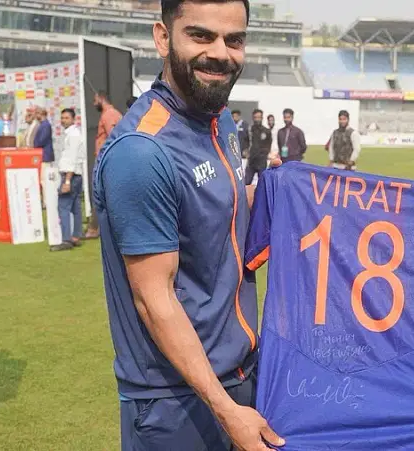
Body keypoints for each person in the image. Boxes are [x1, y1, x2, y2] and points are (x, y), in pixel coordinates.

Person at [91, 0, 283, 449]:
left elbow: (222, 214)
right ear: (163, 37)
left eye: (234, 40)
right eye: (201, 35)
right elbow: (154, 299)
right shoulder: (142, 152)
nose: (220, 53)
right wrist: (226, 410)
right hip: (177, 403)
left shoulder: (218, 123)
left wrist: (308, 198)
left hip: (237, 379)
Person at [85, 90, 123, 240]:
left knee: (100, 194)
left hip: (106, 161)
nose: (94, 104)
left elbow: (113, 136)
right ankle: (96, 227)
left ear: (101, 99)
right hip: (108, 160)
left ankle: (94, 228)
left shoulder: (109, 115)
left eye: (95, 100)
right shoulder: (113, 114)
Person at [52, 108, 85, 252]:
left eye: (66, 118)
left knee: (63, 207)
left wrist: (67, 181)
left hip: (70, 175)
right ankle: (76, 236)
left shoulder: (73, 135)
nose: (63, 120)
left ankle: (66, 239)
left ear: (73, 119)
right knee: (75, 207)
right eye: (62, 118)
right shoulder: (73, 134)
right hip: (75, 175)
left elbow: (71, 159)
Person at [244, 108, 272, 184]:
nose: (257, 119)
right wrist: (246, 151)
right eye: (255, 117)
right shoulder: (249, 130)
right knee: (246, 182)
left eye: (259, 117)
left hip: (262, 161)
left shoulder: (267, 131)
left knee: (262, 183)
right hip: (251, 161)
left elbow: (268, 145)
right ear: (253, 118)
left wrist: (264, 154)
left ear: (262, 118)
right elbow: (245, 141)